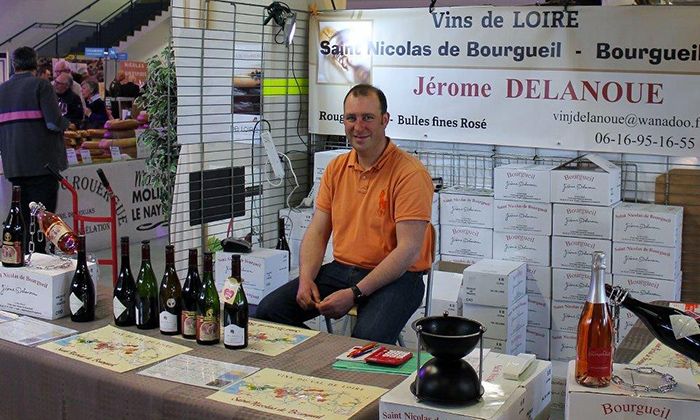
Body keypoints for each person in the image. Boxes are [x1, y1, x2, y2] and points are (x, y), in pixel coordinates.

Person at [256, 84, 434, 344]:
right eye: (351, 118)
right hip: (342, 270)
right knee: (268, 312)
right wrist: (305, 279)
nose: (358, 127)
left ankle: (338, 357)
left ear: (385, 120)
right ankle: (322, 359)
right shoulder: (336, 168)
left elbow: (407, 251)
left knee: (365, 341)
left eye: (367, 117)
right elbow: (317, 232)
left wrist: (355, 293)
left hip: (398, 278)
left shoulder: (410, 174)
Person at [0, 46, 69, 253]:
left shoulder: (1, 90)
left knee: (20, 217)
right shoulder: (41, 85)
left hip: (14, 166)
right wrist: (66, 123)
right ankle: (38, 260)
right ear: (35, 63)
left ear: (14, 65)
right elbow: (53, 123)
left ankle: (20, 259)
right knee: (42, 220)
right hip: (42, 165)